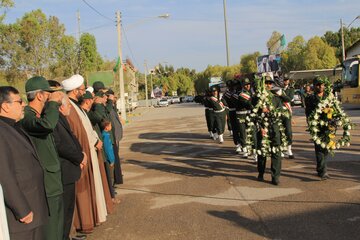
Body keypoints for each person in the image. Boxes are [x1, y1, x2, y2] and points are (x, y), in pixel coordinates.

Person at [0, 86, 48, 240]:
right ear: (5, 106)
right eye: (19, 101)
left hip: (34, 205)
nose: (24, 105)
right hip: (22, 216)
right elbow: (5, 175)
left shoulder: (14, 126)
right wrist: (21, 209)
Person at [20, 76, 65, 239]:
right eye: (48, 94)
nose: (50, 97)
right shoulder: (26, 117)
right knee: (51, 231)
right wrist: (53, 103)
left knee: (58, 227)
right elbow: (46, 126)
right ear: (40, 95)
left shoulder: (40, 115)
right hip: (45, 185)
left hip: (53, 181)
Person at [62, 75, 108, 226]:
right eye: (82, 90)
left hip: (89, 150)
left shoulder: (76, 107)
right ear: (75, 91)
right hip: (82, 153)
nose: (84, 93)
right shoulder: (69, 107)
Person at [53, 92, 88, 240]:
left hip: (70, 169)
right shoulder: (55, 121)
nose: (70, 109)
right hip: (64, 171)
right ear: (61, 107)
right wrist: (79, 157)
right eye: (68, 106)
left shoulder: (62, 119)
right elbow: (61, 146)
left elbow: (71, 139)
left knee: (68, 212)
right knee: (64, 213)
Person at [256, 77, 289, 185]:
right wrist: (260, 127)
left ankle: (275, 176)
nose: (268, 85)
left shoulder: (276, 97)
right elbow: (253, 113)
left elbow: (286, 101)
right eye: (266, 83)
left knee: (276, 151)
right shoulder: (258, 97)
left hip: (275, 127)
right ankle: (261, 172)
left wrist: (280, 93)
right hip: (263, 127)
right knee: (263, 152)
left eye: (270, 83)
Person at [305, 77, 330, 180]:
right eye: (318, 85)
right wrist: (311, 125)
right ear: (314, 86)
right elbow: (308, 113)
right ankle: (323, 171)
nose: (320, 87)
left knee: (326, 148)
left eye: (322, 84)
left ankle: (320, 168)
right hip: (317, 126)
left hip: (328, 126)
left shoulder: (329, 96)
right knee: (319, 148)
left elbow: (334, 110)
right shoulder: (310, 98)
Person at [237, 78, 255, 160]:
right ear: (243, 86)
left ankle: (252, 150)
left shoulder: (251, 93)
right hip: (241, 116)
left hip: (249, 115)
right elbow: (247, 104)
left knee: (251, 132)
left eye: (249, 84)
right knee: (243, 133)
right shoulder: (241, 94)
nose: (248, 86)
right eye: (246, 85)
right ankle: (245, 150)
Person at [222, 80, 240, 151]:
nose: (232, 87)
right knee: (235, 129)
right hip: (232, 111)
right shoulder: (226, 94)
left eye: (233, 86)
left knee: (241, 129)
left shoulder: (238, 92)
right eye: (230, 86)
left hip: (239, 111)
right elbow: (223, 101)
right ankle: (237, 144)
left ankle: (242, 143)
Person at [282, 77, 295, 159]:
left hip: (287, 111)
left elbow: (289, 99)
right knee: (280, 130)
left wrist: (281, 95)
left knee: (288, 131)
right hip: (279, 111)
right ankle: (282, 149)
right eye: (284, 80)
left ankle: (289, 149)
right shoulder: (279, 88)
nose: (286, 81)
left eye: (287, 80)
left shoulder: (291, 89)